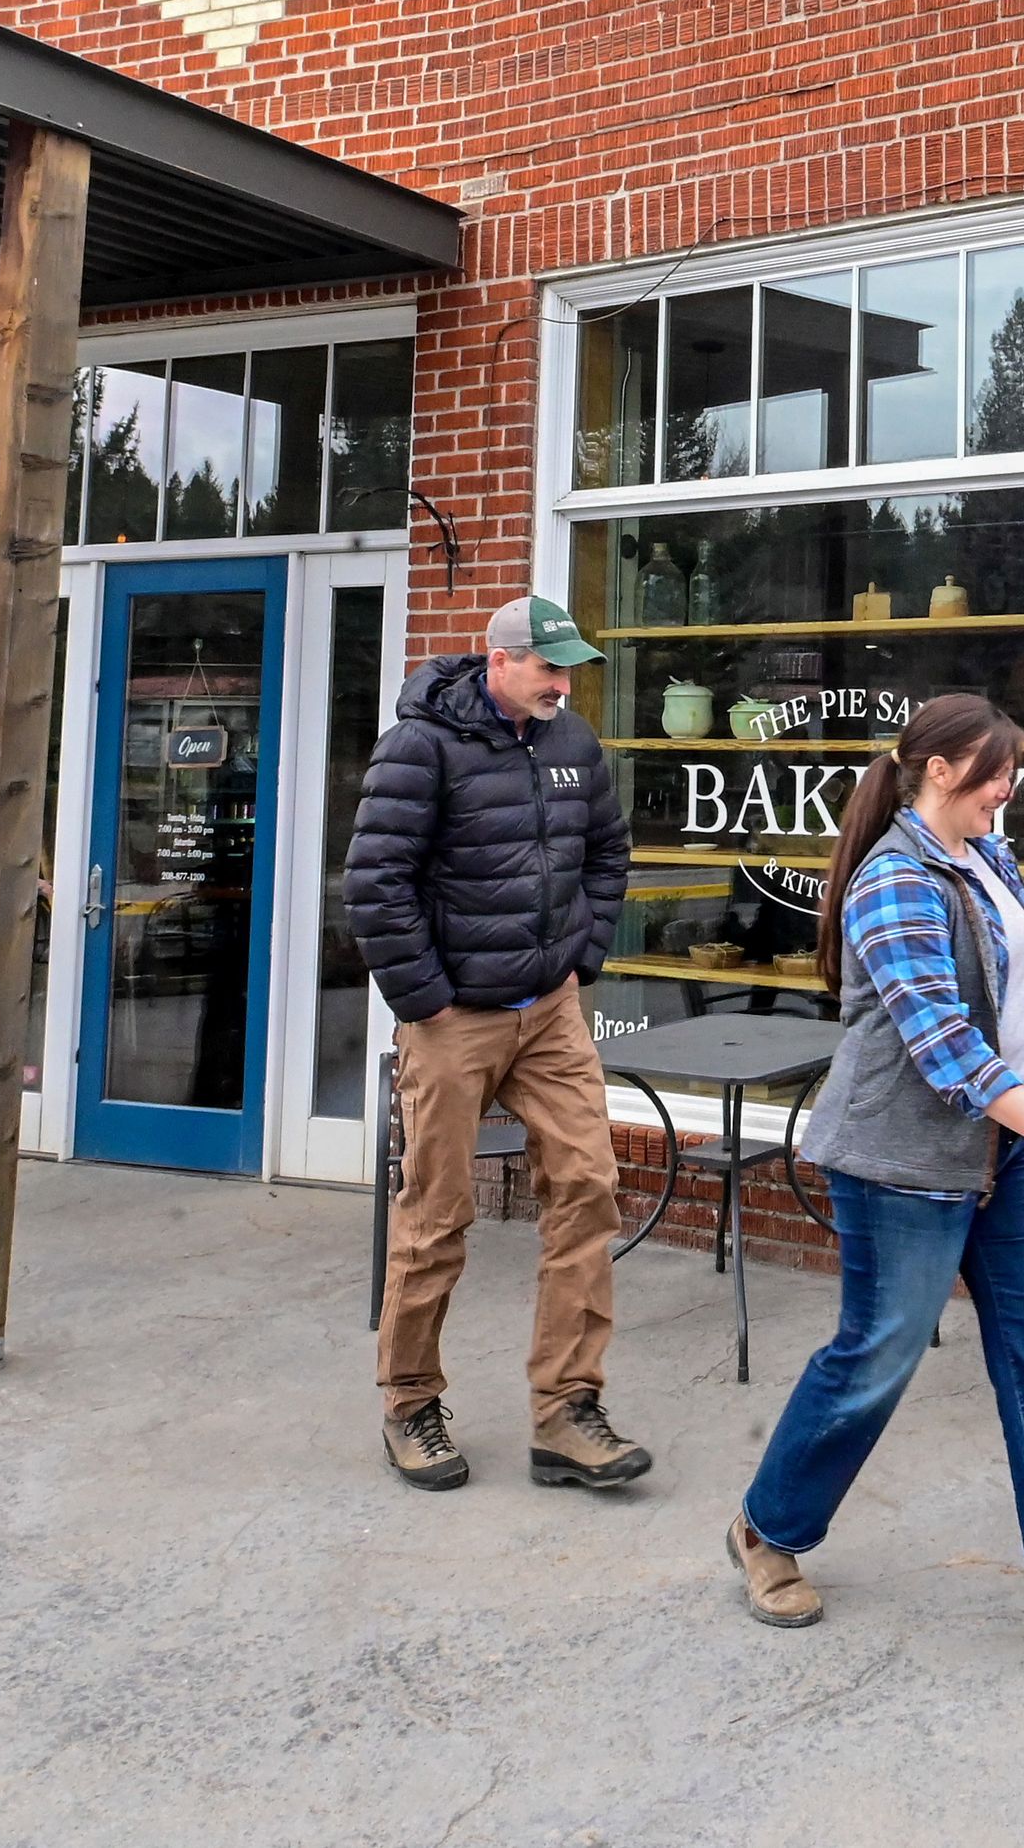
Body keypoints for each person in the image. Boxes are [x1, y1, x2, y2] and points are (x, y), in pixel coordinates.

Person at [727, 693, 1024, 1662]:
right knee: (880, 1352)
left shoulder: (990, 854)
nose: (1007, 788)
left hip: (1006, 1152)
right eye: (993, 772)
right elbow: (943, 1039)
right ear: (939, 768)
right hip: (903, 1162)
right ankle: (768, 1529)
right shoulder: (893, 879)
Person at [347, 595, 644, 1493]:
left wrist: (580, 960)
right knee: (437, 1214)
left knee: (588, 1189)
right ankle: (409, 1404)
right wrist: (427, 1000)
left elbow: (608, 851)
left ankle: (566, 1413)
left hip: (549, 1011)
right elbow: (375, 879)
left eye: (570, 669)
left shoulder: (572, 744)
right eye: (548, 667)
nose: (563, 683)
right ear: (497, 660)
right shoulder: (421, 745)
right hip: (454, 1020)